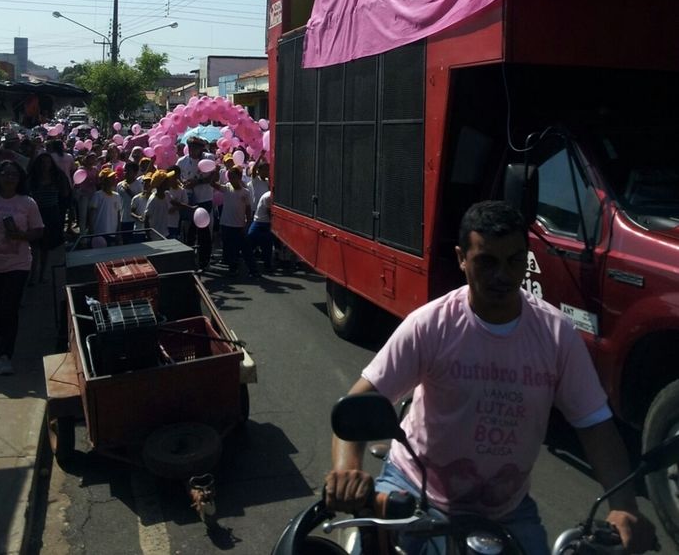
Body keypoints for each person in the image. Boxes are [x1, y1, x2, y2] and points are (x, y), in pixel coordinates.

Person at [326, 201, 658, 555]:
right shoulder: (430, 326)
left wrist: (624, 507)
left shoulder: (556, 334)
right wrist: (347, 471)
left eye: (514, 260)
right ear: (461, 258)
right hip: (414, 489)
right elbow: (360, 402)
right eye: (487, 261)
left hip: (507, 512)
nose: (502, 275)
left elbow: (594, 424)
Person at [0, 162, 44, 374]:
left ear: (20, 179)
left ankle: (5, 354)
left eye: (14, 175)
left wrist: (21, 236)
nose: (9, 178)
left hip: (18, 264)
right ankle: (1, 334)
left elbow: (38, 231)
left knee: (10, 307)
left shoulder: (28, 203)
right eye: (5, 174)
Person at [27, 152, 68, 283]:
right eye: (43, 162)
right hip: (35, 213)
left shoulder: (57, 177)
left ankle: (42, 274)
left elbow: (65, 193)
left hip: (51, 213)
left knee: (46, 247)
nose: (45, 165)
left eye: (48, 162)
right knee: (34, 247)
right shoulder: (33, 178)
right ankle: (33, 274)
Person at [177, 136, 215, 270]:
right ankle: (190, 260)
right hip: (189, 200)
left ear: (201, 148)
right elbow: (177, 178)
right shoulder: (181, 161)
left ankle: (205, 261)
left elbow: (212, 177)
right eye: (191, 147)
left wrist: (197, 182)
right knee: (189, 232)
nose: (193, 150)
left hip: (204, 199)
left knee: (204, 232)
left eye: (196, 148)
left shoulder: (208, 158)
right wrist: (183, 184)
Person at [213, 166, 256, 278]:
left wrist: (248, 222)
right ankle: (233, 268)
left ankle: (253, 270)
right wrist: (215, 172)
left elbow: (248, 209)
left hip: (239, 225)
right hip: (226, 224)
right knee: (230, 248)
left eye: (234, 177)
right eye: (230, 177)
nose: (231, 179)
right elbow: (213, 184)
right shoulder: (227, 188)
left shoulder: (245, 192)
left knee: (246, 248)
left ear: (239, 177)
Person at [87, 168, 123, 244]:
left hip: (112, 232)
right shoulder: (97, 195)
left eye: (114, 177)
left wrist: (118, 231)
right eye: (111, 178)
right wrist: (92, 230)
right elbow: (91, 214)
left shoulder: (117, 196)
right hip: (99, 232)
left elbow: (118, 214)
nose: (114, 179)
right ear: (104, 181)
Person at [247, 189, 274, 272]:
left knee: (267, 246)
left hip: (267, 223)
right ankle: (249, 265)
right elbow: (270, 213)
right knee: (250, 241)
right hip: (259, 222)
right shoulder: (268, 196)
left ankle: (267, 264)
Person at [117, 160, 143, 243]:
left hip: (134, 219)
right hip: (123, 218)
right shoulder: (119, 185)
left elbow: (140, 202)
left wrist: (129, 191)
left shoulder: (139, 185)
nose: (126, 173)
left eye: (128, 171)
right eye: (125, 170)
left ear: (135, 173)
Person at [144, 170, 174, 240]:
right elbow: (146, 219)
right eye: (167, 181)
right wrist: (148, 236)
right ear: (161, 184)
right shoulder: (153, 199)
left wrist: (189, 207)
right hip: (155, 236)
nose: (169, 182)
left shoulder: (167, 194)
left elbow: (175, 202)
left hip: (165, 234)